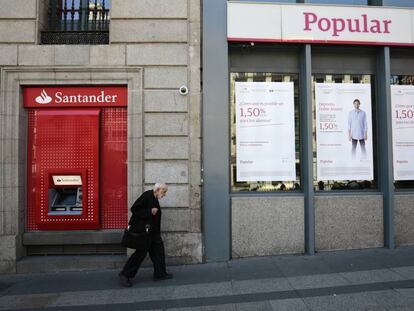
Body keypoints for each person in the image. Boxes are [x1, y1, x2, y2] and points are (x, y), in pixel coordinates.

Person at [119, 183, 173, 287]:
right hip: (145, 233)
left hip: (153, 233)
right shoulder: (147, 195)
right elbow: (134, 209)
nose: (164, 194)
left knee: (158, 252)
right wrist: (149, 211)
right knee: (140, 254)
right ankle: (125, 275)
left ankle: (160, 274)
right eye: (164, 191)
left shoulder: (154, 197)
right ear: (157, 189)